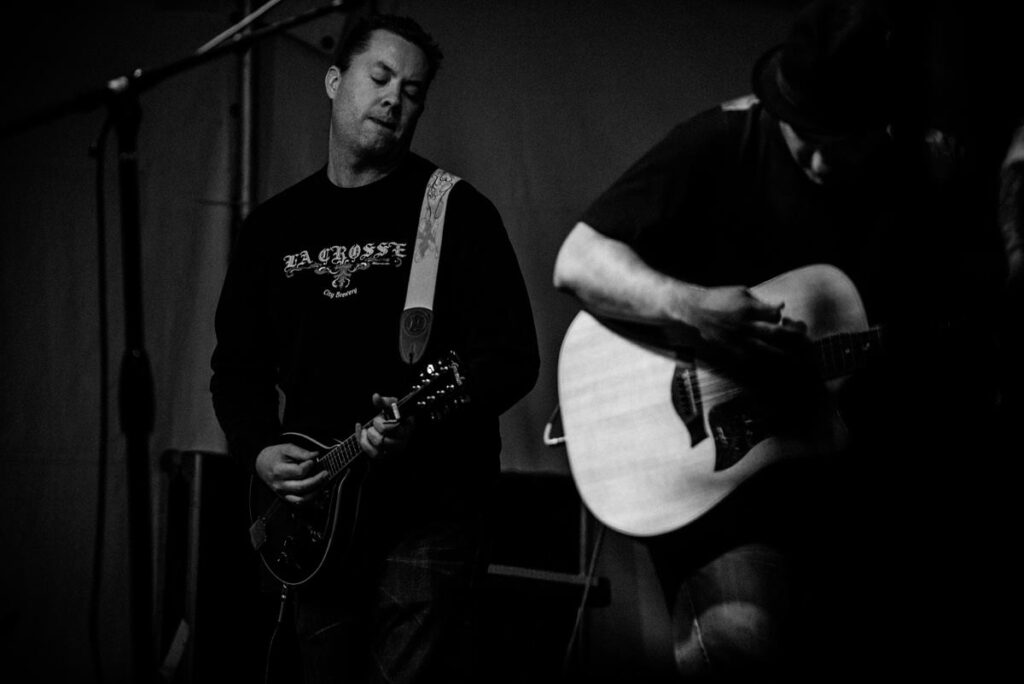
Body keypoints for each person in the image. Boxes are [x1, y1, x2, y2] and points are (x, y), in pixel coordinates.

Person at [554, 0, 1011, 681]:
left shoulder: (913, 176)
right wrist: (691, 307)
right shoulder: (721, 140)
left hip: (844, 490)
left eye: (844, 137)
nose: (822, 159)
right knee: (745, 643)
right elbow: (578, 261)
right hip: (724, 490)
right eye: (806, 135)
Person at [210, 13, 539, 683]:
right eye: (380, 77)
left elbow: (512, 357)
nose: (394, 98)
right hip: (316, 520)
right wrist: (259, 450)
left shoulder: (454, 211)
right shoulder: (273, 227)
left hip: (429, 515)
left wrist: (423, 420)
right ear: (336, 81)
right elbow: (237, 368)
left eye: (412, 91)